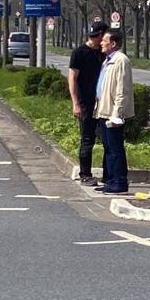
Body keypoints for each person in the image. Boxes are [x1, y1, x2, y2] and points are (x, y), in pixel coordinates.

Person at [67, 21, 106, 187]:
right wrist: (76, 103)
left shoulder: (105, 54)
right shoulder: (79, 53)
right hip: (86, 103)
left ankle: (108, 174)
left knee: (107, 139)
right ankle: (85, 174)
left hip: (104, 103)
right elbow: (72, 78)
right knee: (87, 139)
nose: (99, 40)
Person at [95, 28, 134, 194]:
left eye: (104, 40)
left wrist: (117, 114)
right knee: (109, 149)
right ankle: (110, 180)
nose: (101, 43)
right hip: (104, 111)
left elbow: (122, 89)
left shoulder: (120, 60)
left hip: (113, 114)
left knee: (115, 149)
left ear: (113, 43)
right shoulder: (108, 60)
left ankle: (119, 182)